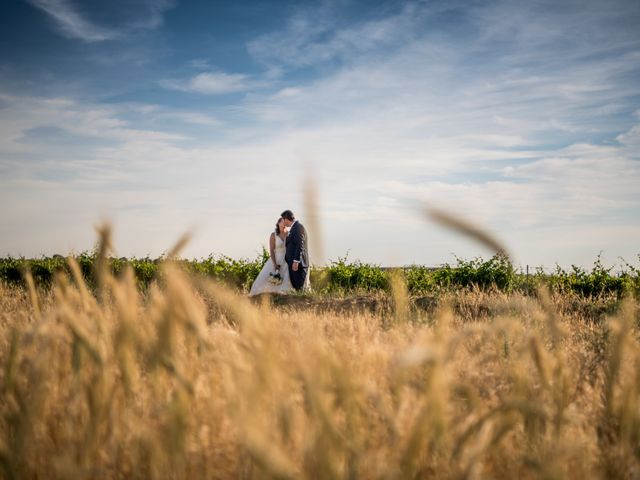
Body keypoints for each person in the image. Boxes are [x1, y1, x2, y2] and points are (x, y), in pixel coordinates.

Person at [249, 218, 294, 296]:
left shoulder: (289, 234)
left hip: (286, 260)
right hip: (276, 259)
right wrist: (275, 264)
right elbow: (272, 250)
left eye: (285, 223)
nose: (284, 224)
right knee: (266, 278)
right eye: (282, 222)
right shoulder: (273, 235)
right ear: (278, 223)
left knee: (286, 279)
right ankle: (260, 295)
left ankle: (283, 295)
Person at [281, 209, 310, 292]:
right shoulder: (294, 228)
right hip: (293, 264)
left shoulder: (298, 227)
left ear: (286, 219)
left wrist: (296, 261)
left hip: (299, 265)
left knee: (299, 288)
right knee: (296, 288)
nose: (283, 222)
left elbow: (300, 245)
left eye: (283, 220)